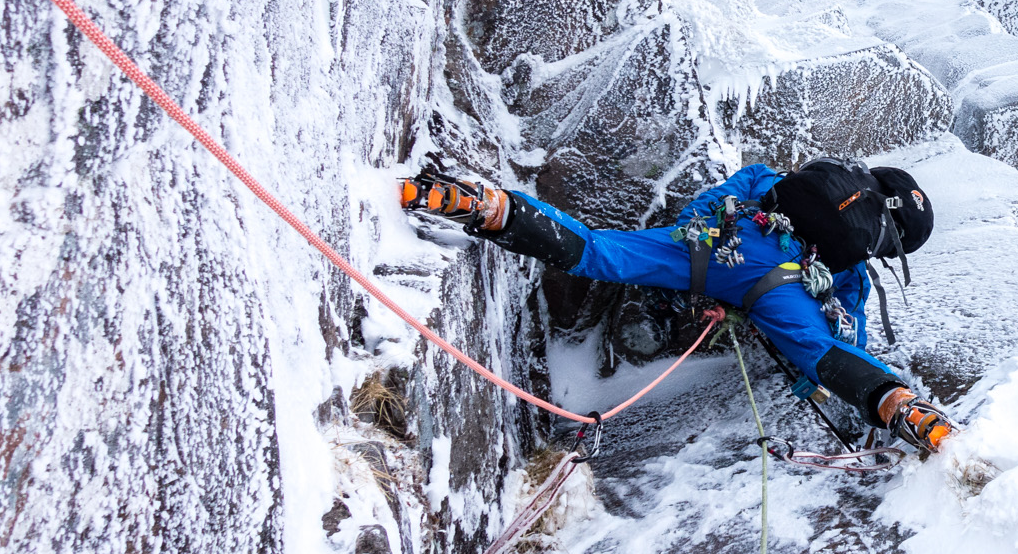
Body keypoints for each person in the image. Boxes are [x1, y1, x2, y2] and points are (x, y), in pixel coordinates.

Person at [399, 157, 957, 455]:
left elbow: (732, 189)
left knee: (602, 251)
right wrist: (787, 322)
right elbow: (846, 332)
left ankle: (492, 207)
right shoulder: (852, 262)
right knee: (818, 351)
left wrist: (695, 255)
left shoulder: (787, 180)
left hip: (724, 237)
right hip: (778, 285)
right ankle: (900, 406)